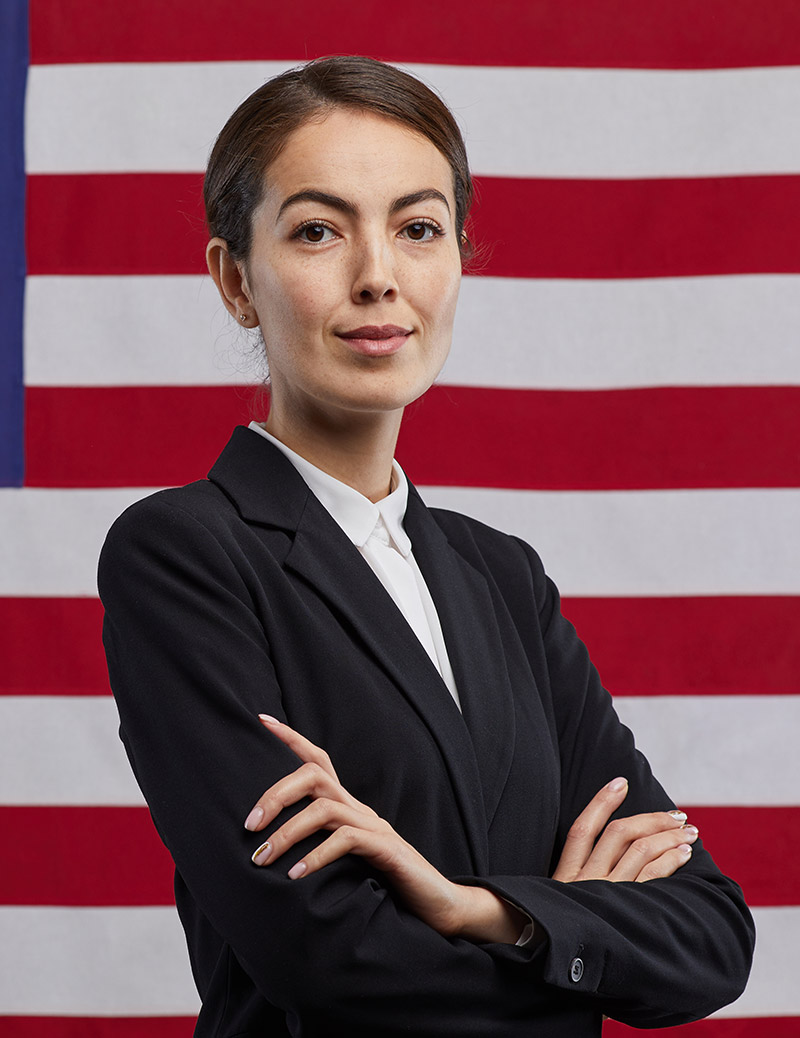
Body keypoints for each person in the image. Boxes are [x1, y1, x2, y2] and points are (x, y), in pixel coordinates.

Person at [98, 56, 754, 1036]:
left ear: (455, 258)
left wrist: (470, 908)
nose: (378, 276)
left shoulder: (499, 575)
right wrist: (569, 933)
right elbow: (324, 959)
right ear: (235, 279)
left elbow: (707, 938)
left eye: (417, 228)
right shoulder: (185, 554)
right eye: (317, 230)